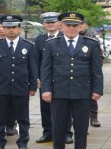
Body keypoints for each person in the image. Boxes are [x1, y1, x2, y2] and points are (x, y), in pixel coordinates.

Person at [41, 12, 103, 149]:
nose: (71, 28)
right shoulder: (51, 44)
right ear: (61, 26)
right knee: (58, 128)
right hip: (59, 92)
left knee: (81, 128)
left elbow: (96, 70)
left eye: (75, 25)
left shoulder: (91, 44)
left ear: (81, 27)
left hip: (82, 92)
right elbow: (46, 69)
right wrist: (45, 89)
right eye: (68, 25)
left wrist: (98, 89)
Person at [0, 15, 37, 149]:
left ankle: (23, 142)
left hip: (21, 87)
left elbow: (32, 68)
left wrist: (33, 86)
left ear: (19, 29)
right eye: (7, 27)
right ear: (3, 28)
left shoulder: (28, 46)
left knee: (23, 118)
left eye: (13, 27)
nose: (10, 30)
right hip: (1, 87)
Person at [34, 12, 73, 144]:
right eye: (47, 22)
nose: (50, 24)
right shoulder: (39, 40)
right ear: (44, 24)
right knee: (45, 108)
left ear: (59, 24)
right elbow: (36, 61)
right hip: (46, 79)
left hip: (62, 79)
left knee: (65, 108)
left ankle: (67, 133)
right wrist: (38, 78)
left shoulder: (65, 37)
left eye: (53, 22)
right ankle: (48, 132)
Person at [0, 21, 17, 136]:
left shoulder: (18, 43)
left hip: (15, 80)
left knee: (12, 105)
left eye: (3, 27)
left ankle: (10, 125)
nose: (1, 29)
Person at [80, 18, 102, 127]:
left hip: (89, 74)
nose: (79, 26)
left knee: (92, 97)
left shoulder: (92, 39)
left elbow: (99, 58)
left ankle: (93, 117)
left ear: (86, 25)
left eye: (82, 24)